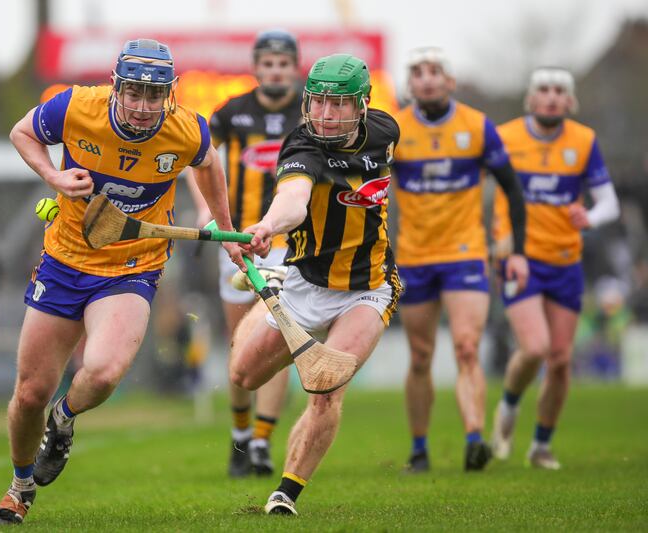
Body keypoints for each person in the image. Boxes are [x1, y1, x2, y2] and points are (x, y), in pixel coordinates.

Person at [0, 39, 243, 524]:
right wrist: (54, 177)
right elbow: (22, 132)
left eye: (155, 95)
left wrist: (219, 221)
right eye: (134, 94)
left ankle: (63, 419)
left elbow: (210, 164)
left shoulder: (184, 128)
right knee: (28, 394)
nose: (144, 107)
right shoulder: (75, 107)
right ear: (116, 87)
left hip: (134, 265)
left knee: (103, 372)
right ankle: (20, 488)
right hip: (65, 261)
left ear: (168, 94)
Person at [229, 53, 401, 516]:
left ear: (362, 106)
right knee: (243, 376)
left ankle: (286, 492)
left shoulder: (386, 131)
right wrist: (268, 226)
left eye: (338, 104)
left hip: (368, 287)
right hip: (306, 284)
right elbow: (294, 200)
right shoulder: (302, 147)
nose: (325, 114)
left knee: (327, 385)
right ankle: (263, 303)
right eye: (319, 102)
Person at [391, 47, 528, 472]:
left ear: (450, 81)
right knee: (420, 356)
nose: (427, 79)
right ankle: (418, 448)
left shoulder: (477, 127)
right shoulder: (393, 130)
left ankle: (474, 438)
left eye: (436, 72)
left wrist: (517, 248)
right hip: (414, 255)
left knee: (467, 347)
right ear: (409, 83)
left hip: (465, 252)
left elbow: (513, 189)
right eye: (418, 72)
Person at [490, 67, 620, 470]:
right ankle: (509, 407)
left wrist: (590, 217)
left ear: (569, 101)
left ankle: (541, 445)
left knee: (561, 359)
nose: (550, 97)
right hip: (519, 257)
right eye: (543, 90)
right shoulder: (506, 137)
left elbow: (608, 202)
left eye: (558, 91)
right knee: (535, 348)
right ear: (531, 98)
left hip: (565, 262)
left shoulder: (583, 140)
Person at [188, 29, 301, 477]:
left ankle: (261, 441)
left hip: (288, 242)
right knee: (240, 347)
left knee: (277, 340)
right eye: (267, 63)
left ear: (294, 67)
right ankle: (239, 434)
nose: (275, 71)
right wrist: (204, 213)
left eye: (282, 63)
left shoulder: (309, 114)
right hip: (234, 240)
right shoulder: (231, 113)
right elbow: (198, 161)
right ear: (256, 67)